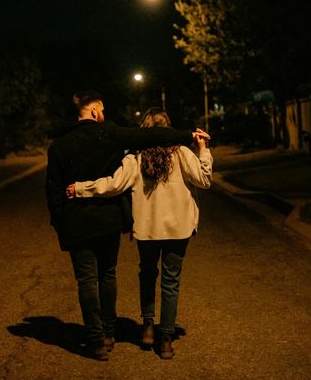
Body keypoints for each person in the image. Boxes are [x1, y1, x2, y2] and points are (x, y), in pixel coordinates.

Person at [46, 91, 208, 360]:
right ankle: (137, 335)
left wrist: (64, 215)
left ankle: (107, 337)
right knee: (120, 275)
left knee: (94, 279)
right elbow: (194, 171)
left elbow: (67, 189)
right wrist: (192, 139)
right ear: (96, 112)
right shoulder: (112, 135)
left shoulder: (61, 146)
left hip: (101, 224)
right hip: (128, 222)